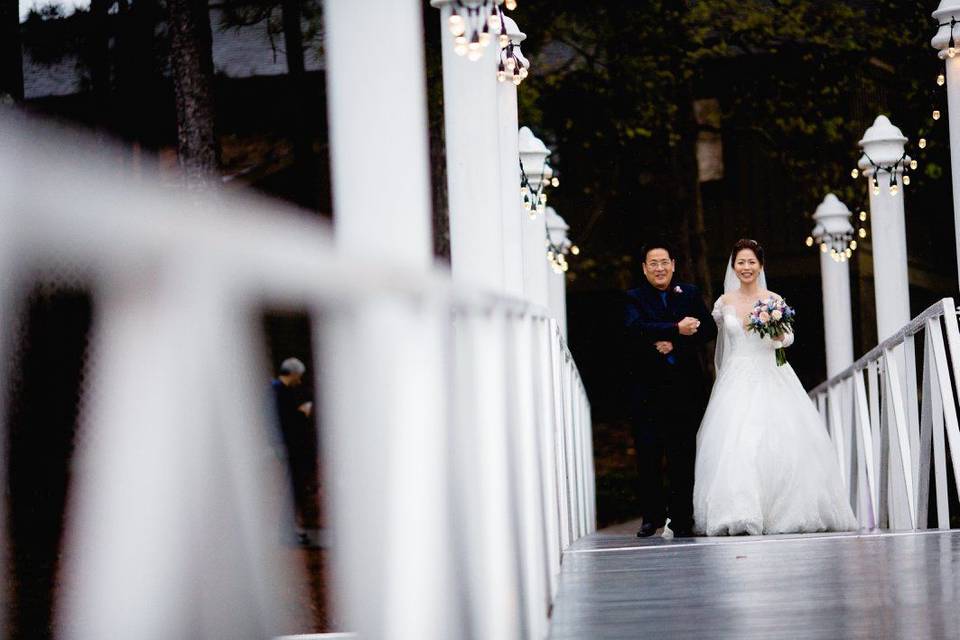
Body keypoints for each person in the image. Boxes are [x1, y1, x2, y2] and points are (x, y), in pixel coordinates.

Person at [693, 239, 857, 535]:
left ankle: (785, 511)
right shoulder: (724, 303)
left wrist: (779, 338)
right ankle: (739, 511)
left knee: (779, 439)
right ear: (733, 266)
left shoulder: (774, 299)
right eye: (741, 262)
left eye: (751, 262)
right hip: (737, 376)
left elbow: (788, 337)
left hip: (771, 371)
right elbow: (719, 344)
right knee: (736, 441)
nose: (746, 268)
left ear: (760, 265)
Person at [625, 241, 717, 538]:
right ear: (644, 268)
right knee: (649, 453)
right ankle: (651, 517)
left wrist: (675, 340)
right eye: (653, 263)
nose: (660, 268)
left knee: (682, 454)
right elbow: (634, 330)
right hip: (647, 389)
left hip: (684, 387)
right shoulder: (633, 297)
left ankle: (681, 518)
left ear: (673, 265)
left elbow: (707, 329)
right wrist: (674, 329)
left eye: (664, 262)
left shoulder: (688, 293)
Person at [270, 357, 317, 546]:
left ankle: (289, 530)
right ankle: (286, 531)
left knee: (294, 489)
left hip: (290, 445)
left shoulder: (279, 391)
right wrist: (303, 412)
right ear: (294, 374)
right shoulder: (279, 392)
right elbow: (285, 421)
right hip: (290, 446)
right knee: (293, 489)